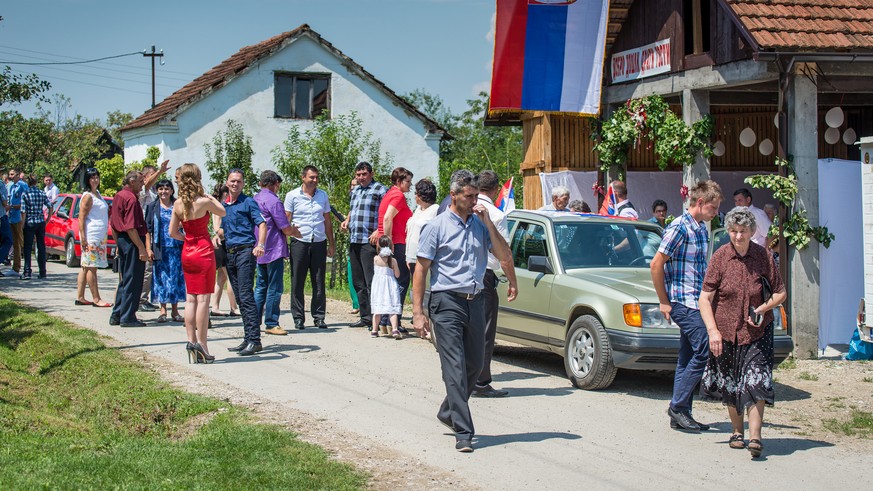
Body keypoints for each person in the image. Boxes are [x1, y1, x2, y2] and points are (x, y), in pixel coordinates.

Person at [411, 174, 518, 453]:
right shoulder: (436, 227)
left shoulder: (480, 225)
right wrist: (418, 313)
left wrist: (488, 224)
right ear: (454, 195)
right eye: (469, 197)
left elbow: (504, 255)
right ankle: (464, 430)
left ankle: (448, 410)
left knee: (475, 365)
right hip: (446, 302)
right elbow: (421, 269)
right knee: (455, 368)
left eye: (476, 196)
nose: (475, 201)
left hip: (476, 301)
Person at [699, 207, 786, 458]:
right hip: (725, 331)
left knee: (757, 381)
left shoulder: (763, 256)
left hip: (757, 332)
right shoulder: (720, 257)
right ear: (728, 232)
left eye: (743, 232)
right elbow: (705, 298)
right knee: (732, 383)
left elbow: (780, 292)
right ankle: (737, 431)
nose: (738, 236)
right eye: (734, 232)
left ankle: (755, 436)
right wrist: (713, 332)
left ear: (752, 232)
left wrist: (763, 307)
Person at [650, 180, 723, 432]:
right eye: (713, 208)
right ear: (700, 203)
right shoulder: (679, 227)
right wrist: (663, 301)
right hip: (682, 300)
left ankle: (681, 413)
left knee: (688, 356)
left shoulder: (701, 228)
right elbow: (656, 264)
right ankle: (678, 406)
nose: (715, 213)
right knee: (704, 349)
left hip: (697, 301)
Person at [170, 163, 226, 363]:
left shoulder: (177, 204)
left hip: (188, 252)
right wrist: (211, 197)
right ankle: (202, 344)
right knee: (203, 300)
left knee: (190, 299)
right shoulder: (204, 201)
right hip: (203, 250)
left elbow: (172, 232)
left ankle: (190, 341)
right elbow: (222, 212)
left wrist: (187, 239)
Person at [472, 170, 518, 398]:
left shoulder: (460, 206)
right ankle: (480, 382)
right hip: (485, 276)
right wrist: (512, 281)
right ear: (495, 189)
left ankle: (463, 377)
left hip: (461, 275)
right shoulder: (497, 215)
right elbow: (504, 254)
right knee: (486, 331)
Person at [216, 168, 267, 356]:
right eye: (232, 181)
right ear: (227, 183)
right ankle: (247, 338)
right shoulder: (224, 206)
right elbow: (223, 229)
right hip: (229, 253)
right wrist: (216, 235)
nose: (235, 184)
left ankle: (255, 340)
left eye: (238, 181)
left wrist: (260, 244)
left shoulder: (249, 202)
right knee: (238, 297)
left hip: (245, 252)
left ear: (243, 184)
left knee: (246, 296)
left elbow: (262, 224)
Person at [255, 170, 300, 335]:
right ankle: (271, 322)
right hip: (273, 248)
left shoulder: (255, 199)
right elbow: (285, 227)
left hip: (259, 248)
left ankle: (254, 321)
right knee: (274, 287)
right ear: (275, 184)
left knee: (260, 286)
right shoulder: (273, 201)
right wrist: (295, 231)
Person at [341, 162, 386, 328]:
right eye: (358, 175)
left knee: (371, 281)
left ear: (371, 174)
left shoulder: (380, 190)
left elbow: (386, 213)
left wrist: (379, 230)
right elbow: (353, 210)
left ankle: (376, 319)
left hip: (369, 241)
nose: (361, 177)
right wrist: (347, 221)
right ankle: (365, 317)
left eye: (364, 174)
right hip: (354, 239)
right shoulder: (356, 190)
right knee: (358, 281)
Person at [109, 171, 149, 328]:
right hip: (132, 240)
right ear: (132, 182)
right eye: (140, 181)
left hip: (122, 239)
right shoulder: (131, 199)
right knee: (133, 280)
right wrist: (141, 248)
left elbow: (113, 224)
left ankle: (117, 313)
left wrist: (118, 243)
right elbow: (131, 227)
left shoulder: (119, 196)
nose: (142, 184)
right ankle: (128, 316)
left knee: (125, 279)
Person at [376, 167, 413, 330]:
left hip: (388, 243)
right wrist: (389, 242)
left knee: (390, 281)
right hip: (396, 244)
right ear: (399, 181)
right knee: (401, 281)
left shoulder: (390, 193)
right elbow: (387, 218)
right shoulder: (398, 195)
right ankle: (392, 321)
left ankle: (385, 321)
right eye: (408, 181)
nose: (410, 185)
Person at [145, 179, 186, 323]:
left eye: (167, 188)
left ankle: (175, 311)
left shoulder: (178, 205)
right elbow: (148, 229)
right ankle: (162, 310)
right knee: (161, 278)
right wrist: (148, 248)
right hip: (160, 247)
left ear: (172, 190)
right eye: (161, 189)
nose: (164, 191)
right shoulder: (152, 206)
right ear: (157, 191)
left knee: (175, 278)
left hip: (176, 246)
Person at [75, 167, 112, 307]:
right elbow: (81, 218)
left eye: (97, 177)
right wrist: (83, 238)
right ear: (87, 180)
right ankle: (96, 299)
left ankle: (80, 296)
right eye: (92, 177)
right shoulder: (88, 196)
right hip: (92, 236)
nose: (95, 180)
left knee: (85, 266)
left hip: (99, 236)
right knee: (92, 267)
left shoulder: (98, 194)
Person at [139, 160, 171, 313]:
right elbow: (146, 184)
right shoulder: (144, 190)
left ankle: (145, 298)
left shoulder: (153, 192)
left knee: (149, 269)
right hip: (144, 232)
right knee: (147, 269)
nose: (156, 179)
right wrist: (160, 171)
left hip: (155, 233)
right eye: (152, 176)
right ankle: (141, 299)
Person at [405, 178, 438, 323]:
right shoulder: (418, 210)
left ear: (421, 195)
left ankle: (428, 317)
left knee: (425, 287)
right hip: (412, 256)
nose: (414, 196)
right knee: (416, 288)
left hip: (424, 255)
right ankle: (419, 314)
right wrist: (408, 257)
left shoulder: (434, 210)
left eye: (416, 193)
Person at [208, 183, 239, 317]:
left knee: (221, 278)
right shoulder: (220, 206)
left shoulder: (215, 204)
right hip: (222, 243)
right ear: (225, 194)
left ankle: (215, 307)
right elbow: (217, 227)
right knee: (232, 276)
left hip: (218, 244)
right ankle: (234, 307)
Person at [19, 174, 52, 279]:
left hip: (29, 222)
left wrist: (22, 225)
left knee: (28, 248)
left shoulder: (25, 194)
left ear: (28, 183)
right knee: (41, 247)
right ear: (36, 182)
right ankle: (43, 272)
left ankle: (27, 271)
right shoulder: (41, 193)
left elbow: (23, 211)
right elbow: (50, 206)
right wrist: (47, 219)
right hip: (40, 222)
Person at [370, 235, 403, 339]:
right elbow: (397, 275)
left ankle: (374, 330)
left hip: (378, 286)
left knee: (377, 309)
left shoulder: (375, 259)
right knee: (392, 309)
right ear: (391, 247)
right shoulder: (393, 261)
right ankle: (394, 330)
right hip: (390, 286)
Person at [6, 168, 28, 274]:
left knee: (19, 242)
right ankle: (14, 266)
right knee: (12, 241)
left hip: (19, 216)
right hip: (11, 216)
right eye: (10, 174)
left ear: (18, 175)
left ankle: (19, 267)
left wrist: (13, 206)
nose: (10, 176)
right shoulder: (10, 186)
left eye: (12, 174)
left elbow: (25, 203)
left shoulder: (22, 186)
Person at [0, 179, 12, 277]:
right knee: (8, 240)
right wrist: (11, 205)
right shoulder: (1, 184)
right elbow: (4, 203)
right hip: (1, 216)